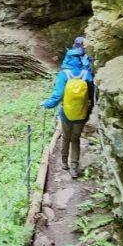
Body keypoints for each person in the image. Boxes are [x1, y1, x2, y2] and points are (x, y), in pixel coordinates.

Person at [43, 40, 95, 175]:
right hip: (82, 113)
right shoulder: (86, 74)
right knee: (76, 139)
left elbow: (58, 94)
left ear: (68, 58)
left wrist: (47, 104)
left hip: (66, 112)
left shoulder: (64, 74)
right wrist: (89, 109)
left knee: (66, 137)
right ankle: (74, 168)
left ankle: (64, 163)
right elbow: (91, 94)